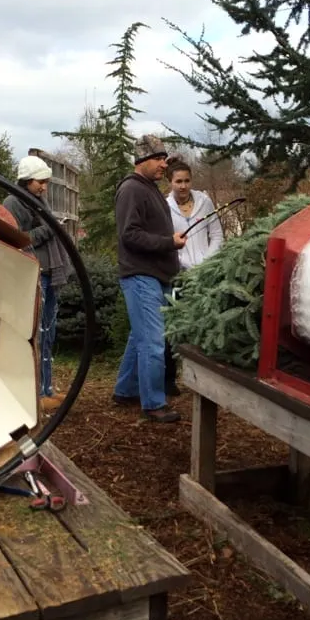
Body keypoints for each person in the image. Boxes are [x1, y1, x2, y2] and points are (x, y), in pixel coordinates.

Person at [113, 135, 186, 423]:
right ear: (142, 160)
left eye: (164, 158)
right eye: (158, 159)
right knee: (152, 342)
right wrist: (168, 243)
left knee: (139, 337)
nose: (164, 164)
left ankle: (125, 390)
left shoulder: (150, 188)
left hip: (155, 275)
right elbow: (129, 235)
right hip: (140, 275)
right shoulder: (132, 189)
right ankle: (154, 403)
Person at [3, 155, 71, 413]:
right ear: (26, 180)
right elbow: (18, 238)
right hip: (35, 272)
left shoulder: (36, 199)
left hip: (48, 270)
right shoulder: (12, 203)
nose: (44, 186)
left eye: (45, 181)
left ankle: (47, 388)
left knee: (48, 331)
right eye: (40, 181)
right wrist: (50, 230)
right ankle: (36, 392)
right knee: (38, 332)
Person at [164, 156, 224, 393]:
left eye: (187, 180)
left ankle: (204, 380)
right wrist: (183, 263)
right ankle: (169, 379)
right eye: (178, 181)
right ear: (171, 182)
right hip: (179, 274)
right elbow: (166, 240)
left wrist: (206, 262)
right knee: (174, 327)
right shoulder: (164, 206)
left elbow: (217, 234)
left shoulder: (204, 202)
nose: (183, 185)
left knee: (204, 325)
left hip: (204, 273)